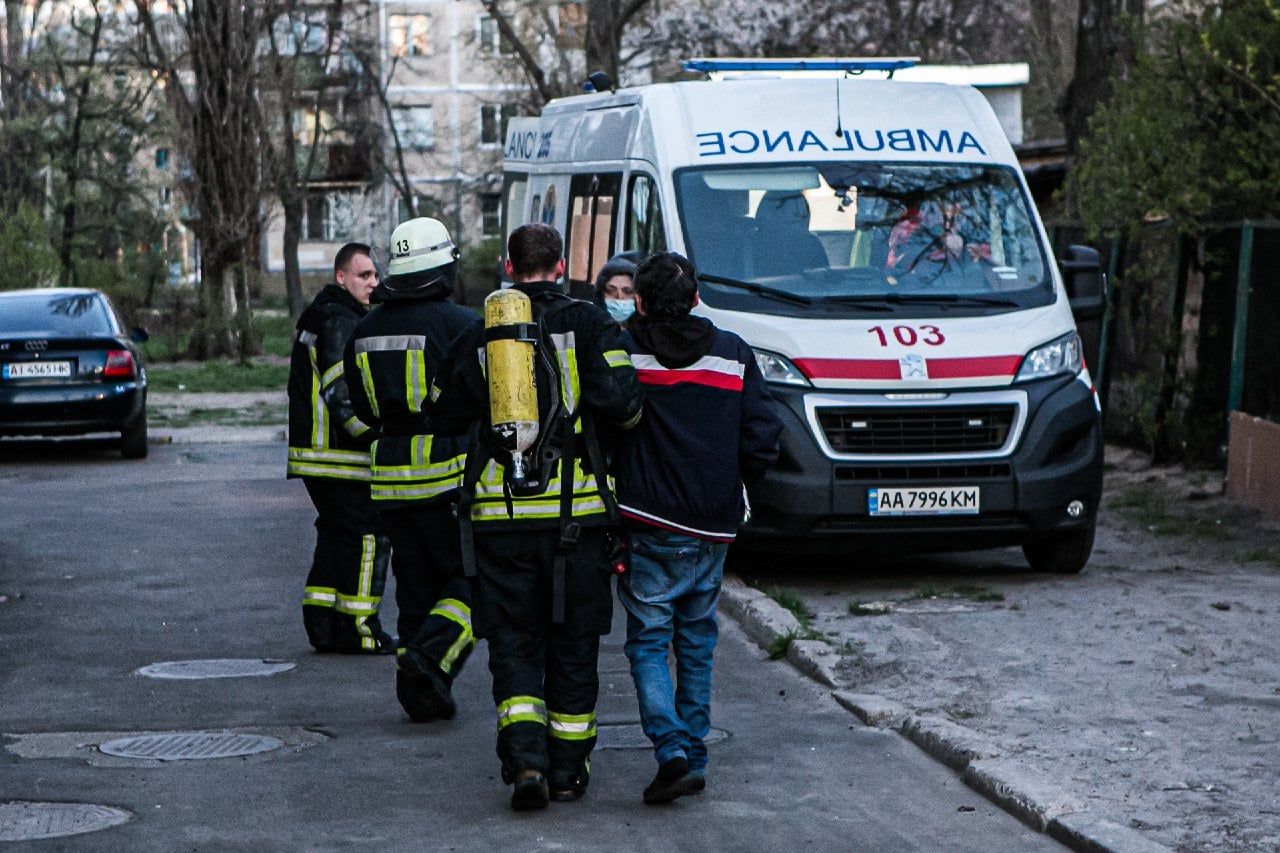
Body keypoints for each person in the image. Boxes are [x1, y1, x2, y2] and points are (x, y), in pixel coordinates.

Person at [429, 223, 643, 811]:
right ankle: (569, 771)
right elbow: (625, 407)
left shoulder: (481, 335)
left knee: (515, 645)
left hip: (500, 521)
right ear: (563, 265)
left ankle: (526, 762)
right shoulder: (595, 323)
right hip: (579, 522)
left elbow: (443, 413)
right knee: (573, 645)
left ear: (507, 266)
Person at [612, 252, 782, 804]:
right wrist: (732, 482)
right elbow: (762, 434)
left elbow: (607, 421)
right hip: (713, 525)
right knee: (697, 641)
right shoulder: (733, 353)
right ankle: (695, 751)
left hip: (649, 522)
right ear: (697, 299)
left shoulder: (629, 353)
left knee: (648, 642)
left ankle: (672, 749)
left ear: (638, 302)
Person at [343, 217, 478, 722]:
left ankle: (417, 689)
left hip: (390, 480)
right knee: (474, 582)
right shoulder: (463, 324)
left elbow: (361, 407)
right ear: (443, 266)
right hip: (449, 477)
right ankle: (431, 659)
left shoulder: (364, 329)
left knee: (417, 586)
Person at [286, 242, 393, 654]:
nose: (373, 283)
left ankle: (323, 624)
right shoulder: (340, 321)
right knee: (369, 535)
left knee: (335, 535)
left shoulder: (319, 314)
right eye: (364, 275)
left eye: (375, 275)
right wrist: (375, 438)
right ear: (341, 278)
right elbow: (341, 393)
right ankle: (360, 630)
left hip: (316, 456)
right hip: (340, 457)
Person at [592, 251, 643, 325]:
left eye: (627, 291)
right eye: (611, 290)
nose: (619, 296)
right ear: (601, 293)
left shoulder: (652, 332)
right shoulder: (586, 328)